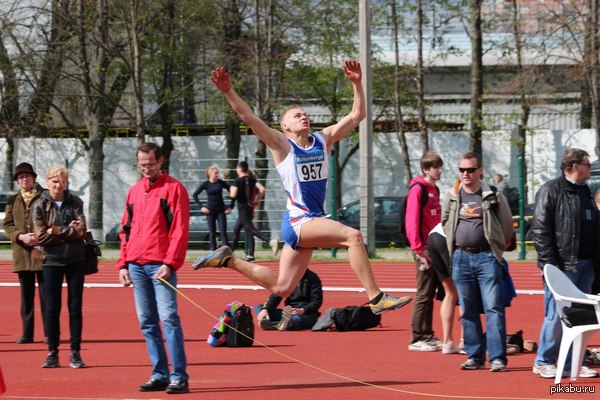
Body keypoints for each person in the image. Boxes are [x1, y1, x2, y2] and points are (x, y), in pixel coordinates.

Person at [194, 60, 411, 316]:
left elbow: (357, 115)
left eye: (304, 113)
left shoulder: (323, 138)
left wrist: (357, 84)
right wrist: (228, 91)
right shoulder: (281, 145)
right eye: (296, 115)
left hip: (308, 222)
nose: (303, 116)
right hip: (300, 220)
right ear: (285, 126)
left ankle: (228, 260)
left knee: (282, 287)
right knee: (353, 237)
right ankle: (376, 298)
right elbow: (248, 116)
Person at [116, 142, 191, 394]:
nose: (146, 169)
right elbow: (125, 229)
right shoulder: (134, 192)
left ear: (160, 161)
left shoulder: (174, 189)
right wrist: (123, 264)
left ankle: (179, 375)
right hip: (136, 266)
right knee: (147, 321)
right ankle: (159, 373)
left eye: (150, 164)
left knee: (169, 318)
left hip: (160, 265)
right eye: (141, 165)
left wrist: (170, 263)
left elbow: (179, 230)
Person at [442, 152, 514, 372]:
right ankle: (474, 355)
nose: (465, 174)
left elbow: (507, 224)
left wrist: (496, 248)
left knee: (494, 308)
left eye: (470, 170)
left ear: (479, 170)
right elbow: (445, 221)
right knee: (467, 309)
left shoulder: (492, 194)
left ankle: (497, 358)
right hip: (461, 258)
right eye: (462, 170)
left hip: (486, 258)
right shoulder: (453, 195)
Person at [531, 148, 600, 379]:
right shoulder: (551, 190)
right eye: (587, 164)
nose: (590, 168)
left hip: (587, 265)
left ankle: (573, 362)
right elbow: (540, 230)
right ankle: (543, 360)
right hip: (563, 267)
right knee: (556, 316)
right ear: (574, 166)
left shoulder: (586, 192)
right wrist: (551, 266)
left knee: (582, 317)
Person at [32, 165, 87, 369]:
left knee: (75, 308)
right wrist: (67, 232)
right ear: (47, 182)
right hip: (51, 261)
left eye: (62, 181)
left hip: (76, 260)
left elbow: (81, 232)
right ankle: (52, 352)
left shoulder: (75, 202)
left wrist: (54, 229)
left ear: (66, 183)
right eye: (54, 181)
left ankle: (75, 352)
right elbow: (40, 236)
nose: (58, 185)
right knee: (52, 309)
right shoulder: (39, 205)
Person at [405, 152, 446, 352]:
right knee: (423, 292)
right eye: (435, 167)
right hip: (423, 248)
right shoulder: (418, 189)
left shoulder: (434, 189)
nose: (439, 170)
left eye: (440, 166)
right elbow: (411, 220)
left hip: (434, 246)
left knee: (430, 292)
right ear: (425, 169)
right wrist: (418, 249)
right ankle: (416, 337)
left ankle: (428, 334)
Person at [4, 162, 46, 344]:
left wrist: (38, 236)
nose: (24, 179)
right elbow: (8, 224)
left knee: (47, 297)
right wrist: (20, 236)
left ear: (33, 178)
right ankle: (27, 333)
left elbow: (52, 219)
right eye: (20, 177)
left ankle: (49, 334)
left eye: (27, 176)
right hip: (22, 253)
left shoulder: (45, 196)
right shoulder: (13, 199)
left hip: (41, 252)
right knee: (26, 297)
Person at [230, 161, 278, 261]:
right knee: (237, 229)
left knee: (251, 230)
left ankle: (270, 241)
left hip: (242, 208)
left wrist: (231, 189)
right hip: (249, 208)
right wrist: (257, 200)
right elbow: (262, 189)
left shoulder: (237, 181)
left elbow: (233, 195)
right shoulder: (252, 180)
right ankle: (243, 254)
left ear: (239, 169)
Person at [256, 268, 323, 331]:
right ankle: (267, 320)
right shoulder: (287, 278)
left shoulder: (312, 277)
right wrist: (265, 309)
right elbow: (276, 296)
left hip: (306, 314)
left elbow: (317, 301)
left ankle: (277, 324)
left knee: (296, 319)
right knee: (260, 307)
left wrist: (303, 310)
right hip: (288, 312)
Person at [192, 165, 233, 250]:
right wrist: (201, 207)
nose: (217, 175)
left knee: (223, 232)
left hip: (221, 210)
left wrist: (230, 207)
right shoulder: (206, 184)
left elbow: (233, 191)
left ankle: (226, 251)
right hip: (210, 211)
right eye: (216, 173)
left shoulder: (221, 183)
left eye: (218, 173)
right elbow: (195, 195)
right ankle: (213, 252)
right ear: (210, 174)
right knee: (212, 232)